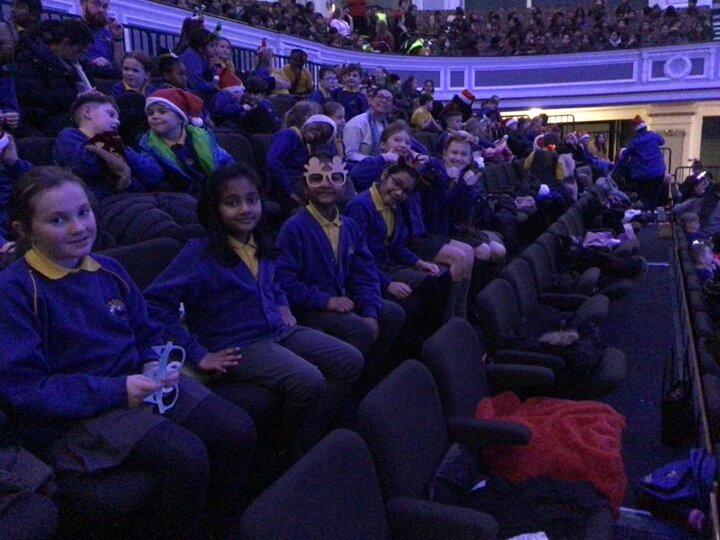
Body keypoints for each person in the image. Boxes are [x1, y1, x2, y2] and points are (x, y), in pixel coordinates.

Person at [0, 166, 256, 539]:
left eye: (83, 212)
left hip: (137, 386)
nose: (78, 228)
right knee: (185, 457)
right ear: (24, 231)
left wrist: (154, 360)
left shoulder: (110, 269)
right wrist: (117, 390)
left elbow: (146, 330)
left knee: (236, 429)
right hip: (78, 414)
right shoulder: (15, 291)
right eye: (58, 220)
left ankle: (221, 528)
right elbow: (26, 389)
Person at [144, 163, 363, 456]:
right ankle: (291, 450)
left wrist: (282, 303)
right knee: (309, 380)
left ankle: (313, 429)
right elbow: (154, 306)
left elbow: (273, 283)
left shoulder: (260, 240)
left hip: (276, 329)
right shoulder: (198, 253)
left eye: (252, 199)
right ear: (214, 209)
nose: (245, 209)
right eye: (232, 202)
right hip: (238, 344)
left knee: (350, 360)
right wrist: (198, 354)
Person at [275, 153, 405, 383]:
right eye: (317, 178)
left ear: (344, 186)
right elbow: (285, 282)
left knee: (393, 313)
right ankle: (344, 385)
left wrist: (370, 312)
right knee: (359, 329)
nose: (326, 184)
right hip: (309, 306)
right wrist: (326, 301)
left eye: (335, 178)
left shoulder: (350, 227)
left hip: (343, 298)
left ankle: (367, 378)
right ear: (305, 187)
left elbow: (365, 274)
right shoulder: (294, 228)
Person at [344, 161, 448, 335]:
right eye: (397, 183)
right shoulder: (360, 206)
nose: (399, 193)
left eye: (406, 191)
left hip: (387, 267)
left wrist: (417, 262)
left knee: (438, 278)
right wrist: (387, 284)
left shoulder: (395, 206)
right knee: (414, 299)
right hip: (367, 275)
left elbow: (397, 245)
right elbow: (356, 259)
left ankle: (433, 340)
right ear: (385, 176)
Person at [54, 93, 163, 198]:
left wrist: (118, 151)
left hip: (132, 200)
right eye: (111, 114)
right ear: (87, 112)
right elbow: (85, 165)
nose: (118, 122)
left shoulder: (116, 144)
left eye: (118, 118)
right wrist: (117, 156)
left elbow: (154, 174)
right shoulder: (69, 135)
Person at [140, 88, 234, 196]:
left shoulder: (202, 136)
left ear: (180, 118)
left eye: (162, 111)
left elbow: (225, 161)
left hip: (215, 190)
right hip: (183, 197)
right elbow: (153, 174)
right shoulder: (149, 145)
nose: (155, 116)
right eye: (150, 113)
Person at [14, 18, 95, 136]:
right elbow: (34, 96)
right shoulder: (30, 60)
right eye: (80, 51)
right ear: (66, 43)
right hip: (41, 121)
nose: (81, 57)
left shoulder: (70, 64)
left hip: (62, 117)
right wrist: (75, 96)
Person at [616, 114, 666, 209]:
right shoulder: (653, 135)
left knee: (644, 197)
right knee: (654, 195)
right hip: (658, 172)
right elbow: (662, 141)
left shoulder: (634, 141)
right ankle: (652, 211)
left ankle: (644, 211)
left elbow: (624, 157)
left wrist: (615, 169)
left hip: (642, 175)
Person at [343, 86, 392, 164]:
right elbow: (350, 155)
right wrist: (378, 160)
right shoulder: (357, 123)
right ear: (371, 100)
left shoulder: (387, 126)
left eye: (388, 99)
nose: (384, 101)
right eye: (380, 97)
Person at [79, 0, 124, 78]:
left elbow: (120, 65)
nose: (101, 10)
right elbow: (71, 58)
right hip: (87, 76)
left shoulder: (108, 32)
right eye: (96, 4)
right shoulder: (75, 28)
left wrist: (117, 37)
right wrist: (91, 62)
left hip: (110, 76)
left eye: (105, 6)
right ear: (83, 3)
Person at [177, 26, 218, 100]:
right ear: (200, 48)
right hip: (186, 93)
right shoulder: (191, 58)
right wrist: (213, 85)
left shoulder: (203, 57)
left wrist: (210, 68)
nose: (215, 49)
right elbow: (196, 83)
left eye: (215, 45)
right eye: (211, 46)